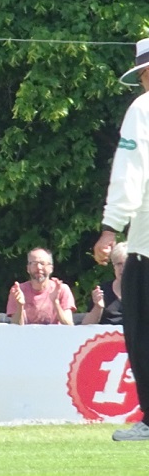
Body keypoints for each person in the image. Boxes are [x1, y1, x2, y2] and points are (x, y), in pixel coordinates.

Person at [94, 37, 149, 441]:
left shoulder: (143, 109)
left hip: (147, 248)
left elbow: (130, 173)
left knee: (142, 329)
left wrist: (111, 228)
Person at [6, 247, 76, 325]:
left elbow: (69, 326)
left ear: (51, 268)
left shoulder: (62, 290)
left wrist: (55, 303)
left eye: (43, 263)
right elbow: (15, 329)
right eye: (34, 263)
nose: (39, 268)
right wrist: (20, 306)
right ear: (28, 268)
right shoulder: (18, 291)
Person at [82, 242, 126, 325]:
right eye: (119, 264)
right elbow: (86, 325)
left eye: (126, 264)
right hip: (107, 337)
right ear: (113, 266)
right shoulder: (102, 291)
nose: (122, 269)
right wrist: (98, 307)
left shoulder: (143, 291)